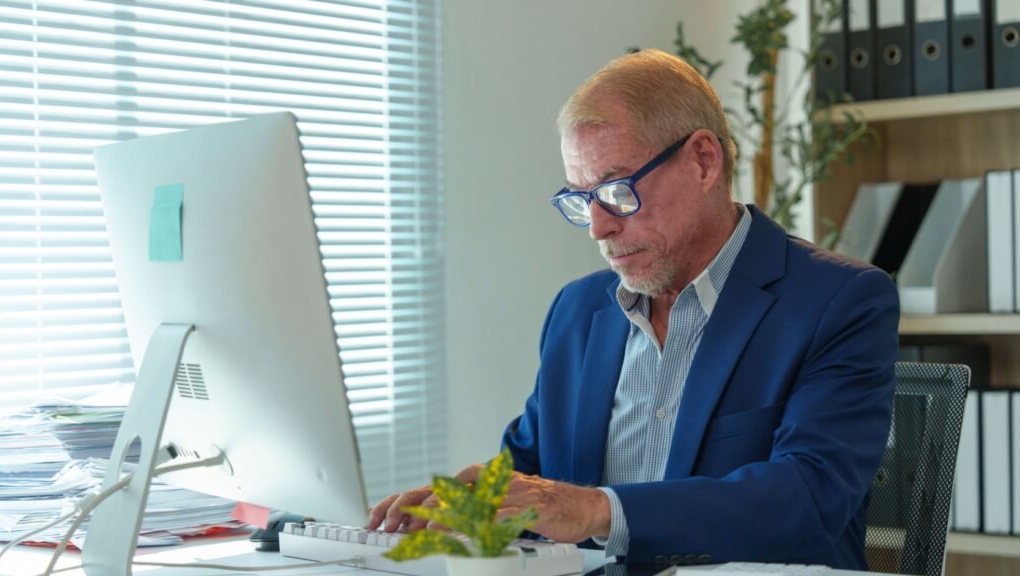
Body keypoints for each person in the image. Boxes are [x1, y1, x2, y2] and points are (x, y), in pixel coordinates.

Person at [367, 49, 899, 570]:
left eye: (618, 191)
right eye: (581, 199)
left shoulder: (838, 301)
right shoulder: (578, 311)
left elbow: (809, 498)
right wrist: (471, 502)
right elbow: (534, 470)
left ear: (703, 161)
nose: (599, 227)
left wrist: (597, 510)